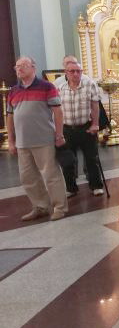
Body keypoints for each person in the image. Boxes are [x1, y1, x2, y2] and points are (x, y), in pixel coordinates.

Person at [6, 56, 68, 221]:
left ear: (33, 67)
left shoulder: (47, 86)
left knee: (51, 175)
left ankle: (59, 207)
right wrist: (11, 141)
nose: (19, 69)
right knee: (28, 177)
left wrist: (59, 134)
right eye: (17, 66)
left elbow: (58, 112)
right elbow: (10, 118)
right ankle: (40, 206)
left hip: (44, 140)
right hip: (22, 143)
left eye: (23, 65)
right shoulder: (13, 90)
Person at [57, 60, 104, 197]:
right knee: (68, 161)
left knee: (91, 158)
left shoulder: (90, 85)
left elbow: (95, 106)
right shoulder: (61, 89)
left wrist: (95, 124)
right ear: (66, 73)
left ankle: (96, 185)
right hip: (67, 129)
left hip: (86, 128)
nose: (76, 74)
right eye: (72, 71)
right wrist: (58, 131)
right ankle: (71, 188)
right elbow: (58, 111)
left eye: (79, 71)